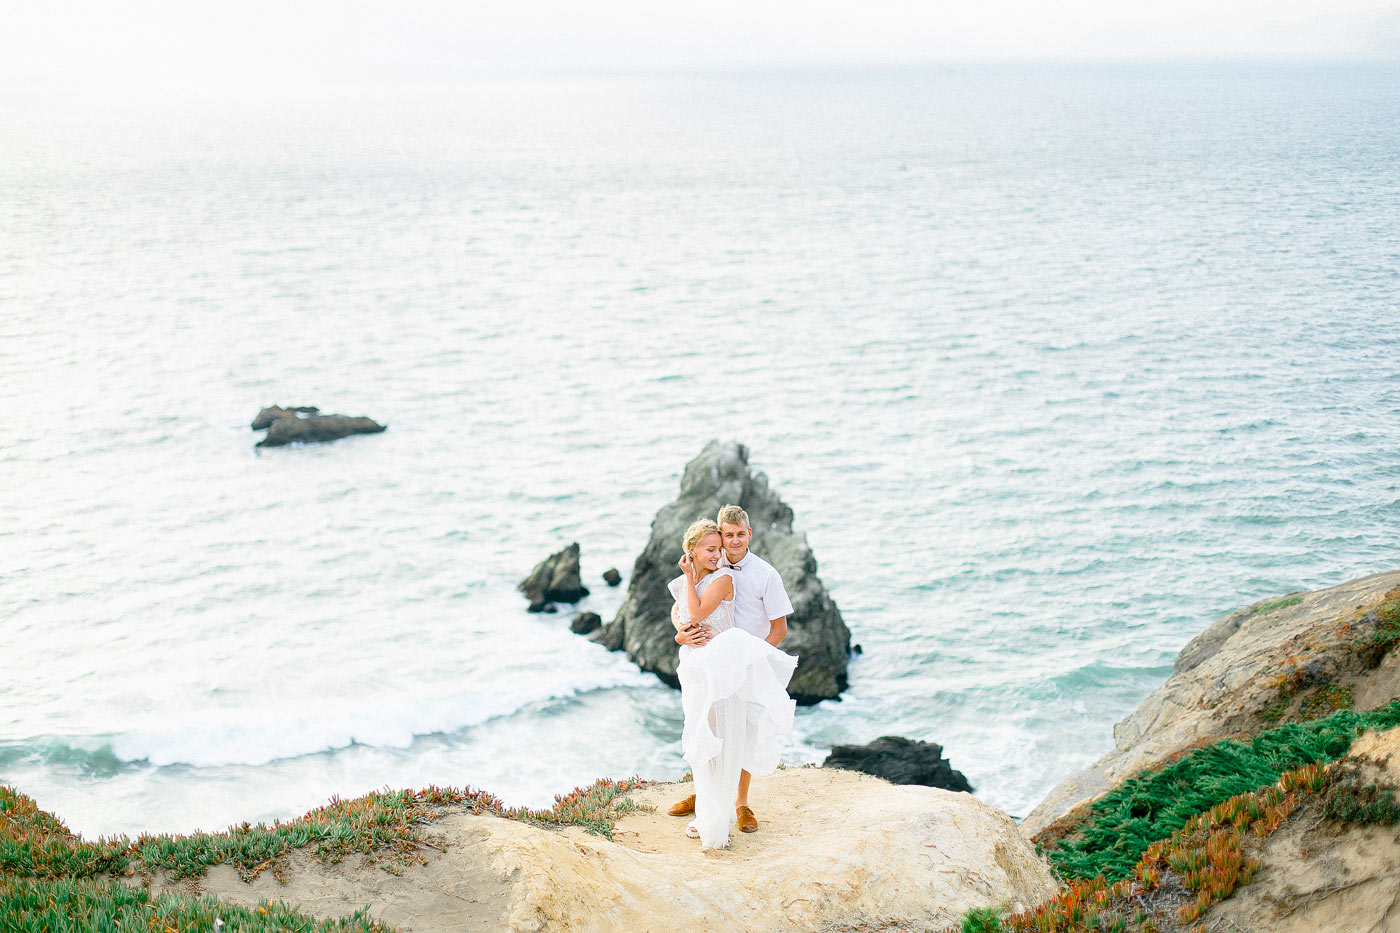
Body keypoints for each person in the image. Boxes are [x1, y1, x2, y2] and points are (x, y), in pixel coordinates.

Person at [670, 506, 796, 843]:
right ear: (721, 538)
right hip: (711, 663)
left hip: (748, 662)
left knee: (744, 733)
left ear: (749, 535)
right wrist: (681, 634)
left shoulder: (765, 575)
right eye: (728, 536)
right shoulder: (715, 568)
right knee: (709, 729)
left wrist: (752, 659)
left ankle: (740, 803)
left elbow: (779, 629)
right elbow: (682, 611)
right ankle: (708, 796)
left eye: (741, 534)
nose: (734, 541)